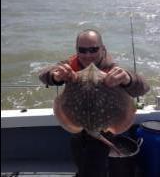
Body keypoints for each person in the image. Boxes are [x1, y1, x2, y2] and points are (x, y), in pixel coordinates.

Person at [39, 29, 150, 177]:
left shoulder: (112, 69)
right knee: (79, 158)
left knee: (95, 167)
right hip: (77, 123)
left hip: (104, 127)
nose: (88, 55)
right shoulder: (70, 65)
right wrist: (55, 76)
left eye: (93, 49)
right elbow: (43, 75)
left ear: (103, 49)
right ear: (77, 50)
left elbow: (143, 87)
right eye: (82, 50)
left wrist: (128, 79)